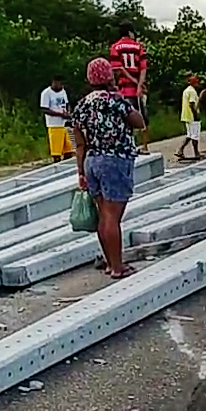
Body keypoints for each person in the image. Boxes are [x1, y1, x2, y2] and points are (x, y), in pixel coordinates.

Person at [72, 57, 146, 279]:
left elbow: (79, 143)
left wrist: (81, 172)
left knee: (103, 215)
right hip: (115, 160)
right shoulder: (116, 100)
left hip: (92, 160)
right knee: (113, 217)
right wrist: (122, 95)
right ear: (108, 76)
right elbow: (139, 122)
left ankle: (109, 261)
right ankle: (117, 267)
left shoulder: (82, 104)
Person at [110, 21, 150, 154]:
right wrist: (139, 84)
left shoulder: (115, 47)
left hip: (123, 89)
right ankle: (145, 146)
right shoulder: (139, 47)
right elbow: (143, 68)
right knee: (142, 118)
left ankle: (129, 145)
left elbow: (118, 69)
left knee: (125, 120)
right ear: (130, 32)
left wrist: (132, 81)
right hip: (138, 90)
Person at [40, 75, 73, 163]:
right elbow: (44, 109)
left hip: (64, 124)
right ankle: (57, 166)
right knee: (57, 152)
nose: (60, 85)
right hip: (54, 125)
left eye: (62, 84)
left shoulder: (63, 91)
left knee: (69, 150)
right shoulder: (46, 93)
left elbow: (66, 103)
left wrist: (68, 112)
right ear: (53, 82)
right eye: (58, 83)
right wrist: (59, 114)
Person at [176, 75, 201, 160]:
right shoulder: (192, 92)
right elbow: (192, 104)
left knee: (190, 134)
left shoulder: (186, 90)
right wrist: (195, 115)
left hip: (186, 115)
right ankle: (196, 152)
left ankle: (180, 150)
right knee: (195, 135)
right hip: (191, 116)